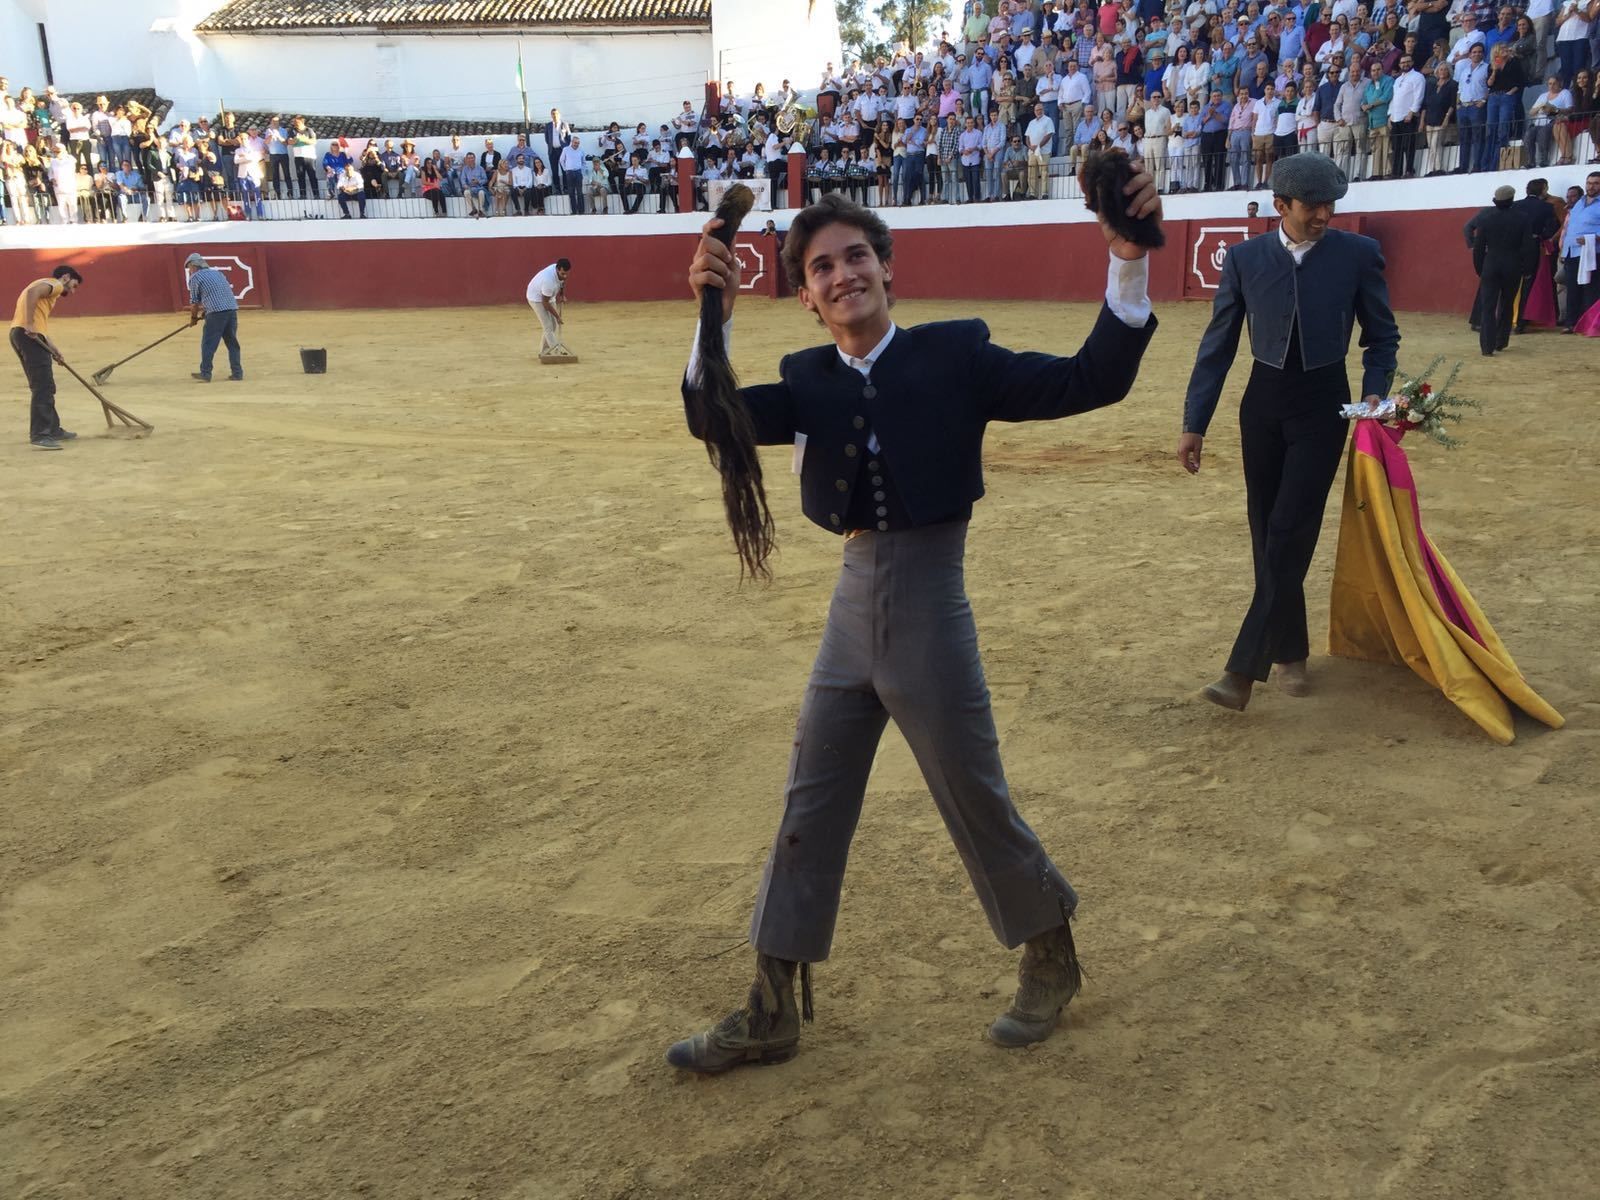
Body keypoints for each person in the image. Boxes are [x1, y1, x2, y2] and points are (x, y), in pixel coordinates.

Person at [666, 172, 1163, 1074]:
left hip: (931, 601)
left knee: (971, 792)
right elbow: (713, 416)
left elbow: (1089, 380)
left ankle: (1051, 955)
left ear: (888, 268)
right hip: (851, 606)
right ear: (807, 295)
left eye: (857, 255)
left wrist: (1126, 261)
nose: (843, 274)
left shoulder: (957, 354)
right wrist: (715, 315)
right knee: (810, 796)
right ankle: (772, 1006)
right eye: (822, 267)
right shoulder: (807, 378)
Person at [1179, 153, 1399, 711]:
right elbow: (1218, 344)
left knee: (1289, 529)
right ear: (1281, 205)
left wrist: (1375, 390)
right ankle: (1291, 650)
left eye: (1331, 205)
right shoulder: (1245, 258)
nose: (1324, 215)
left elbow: (1382, 336)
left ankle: (1241, 670)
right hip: (1263, 405)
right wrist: (1195, 422)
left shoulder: (1358, 254)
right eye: (1312, 206)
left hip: (1324, 405)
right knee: (1266, 531)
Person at [10, 265, 83, 449]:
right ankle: (40, 435)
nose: (73, 291)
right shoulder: (55, 284)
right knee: (43, 386)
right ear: (66, 277)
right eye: (74, 285)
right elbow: (32, 294)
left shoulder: (44, 287)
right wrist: (29, 324)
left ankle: (52, 429)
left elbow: (39, 325)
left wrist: (53, 349)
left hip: (20, 334)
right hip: (27, 334)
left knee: (44, 385)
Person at [1467, 184, 1538, 356]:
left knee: (1488, 306)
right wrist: (1528, 268)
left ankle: (1487, 346)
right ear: (1512, 200)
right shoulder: (1522, 218)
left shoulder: (1486, 218)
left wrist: (1480, 268)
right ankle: (1501, 341)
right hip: (1513, 265)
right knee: (1507, 304)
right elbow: (1528, 246)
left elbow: (1479, 247)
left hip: (1491, 264)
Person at [185, 253, 243, 383]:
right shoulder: (218, 273)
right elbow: (217, 294)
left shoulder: (195, 277)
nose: (189, 271)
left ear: (194, 266)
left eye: (189, 268)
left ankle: (205, 373)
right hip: (231, 310)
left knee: (208, 344)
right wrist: (206, 311)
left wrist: (193, 318)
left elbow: (194, 303)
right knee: (232, 343)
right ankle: (237, 373)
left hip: (216, 314)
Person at [1559, 170, 1600, 330]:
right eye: (1589, 183)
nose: (1591, 186)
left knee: (1591, 288)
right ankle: (1571, 323)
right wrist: (1564, 249)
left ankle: (1590, 323)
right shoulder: (1579, 203)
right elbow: (1570, 226)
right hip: (1572, 252)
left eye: (1596, 183)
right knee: (1572, 288)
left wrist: (1594, 237)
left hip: (1593, 252)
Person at [527, 258, 571, 353]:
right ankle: (556, 351)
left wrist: (562, 294)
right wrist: (557, 316)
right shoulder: (548, 281)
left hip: (548, 296)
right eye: (562, 274)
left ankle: (544, 351)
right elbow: (545, 303)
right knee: (548, 326)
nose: (565, 276)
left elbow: (562, 282)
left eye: (567, 274)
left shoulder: (561, 272)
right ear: (557, 269)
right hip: (536, 298)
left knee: (554, 325)